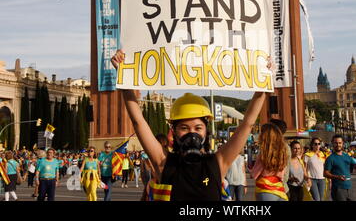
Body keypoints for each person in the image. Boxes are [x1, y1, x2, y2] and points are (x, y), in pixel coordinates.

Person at [111, 49, 269, 201]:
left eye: (198, 128)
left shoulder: (218, 163)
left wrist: (264, 80)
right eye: (184, 128)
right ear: (174, 131)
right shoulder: (164, 163)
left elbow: (247, 124)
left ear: (206, 130)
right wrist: (124, 78)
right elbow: (138, 122)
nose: (191, 133)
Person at [250, 123, 288, 201]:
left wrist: (250, 171)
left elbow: (254, 174)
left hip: (265, 189)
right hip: (280, 190)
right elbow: (282, 174)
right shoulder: (282, 152)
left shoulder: (264, 154)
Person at [324, 135, 356, 201]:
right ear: (332, 143)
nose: (338, 145)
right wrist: (337, 177)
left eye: (340, 143)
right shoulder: (330, 158)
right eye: (336, 143)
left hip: (349, 187)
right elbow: (325, 173)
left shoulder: (346, 155)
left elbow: (354, 166)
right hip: (338, 189)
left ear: (343, 143)